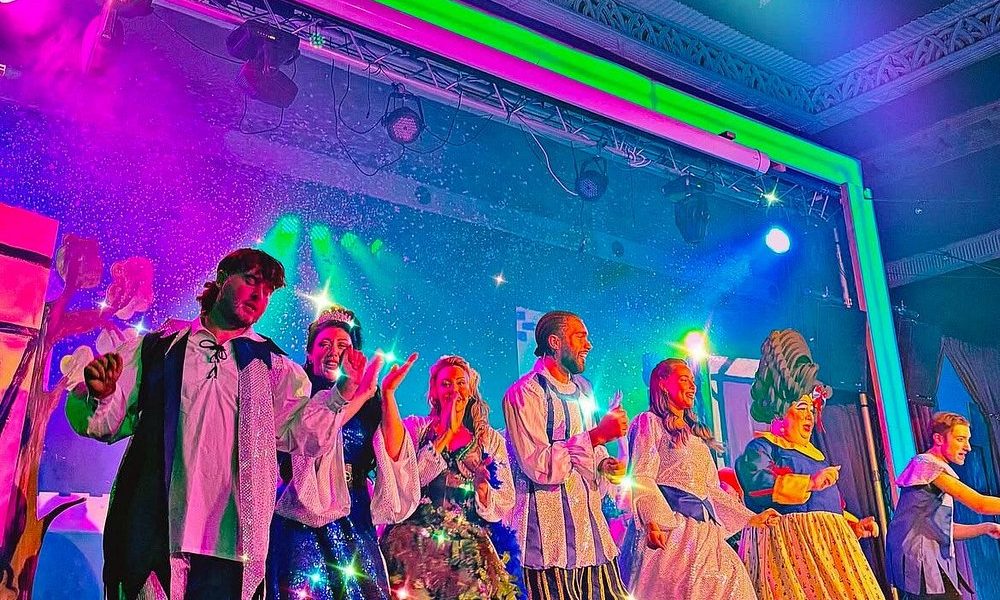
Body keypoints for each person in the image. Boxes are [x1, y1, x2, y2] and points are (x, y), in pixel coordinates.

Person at [65, 249, 380, 600]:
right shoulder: (159, 348)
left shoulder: (274, 367)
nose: (259, 296)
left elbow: (303, 436)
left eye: (267, 291)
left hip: (231, 546)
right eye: (251, 281)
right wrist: (102, 394)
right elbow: (104, 425)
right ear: (222, 278)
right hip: (156, 533)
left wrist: (341, 394)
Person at [266, 306, 421, 600]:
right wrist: (354, 393)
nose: (333, 352)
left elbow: (394, 453)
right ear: (310, 353)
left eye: (343, 345)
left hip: (354, 515)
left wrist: (387, 395)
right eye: (324, 344)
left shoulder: (370, 400)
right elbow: (311, 438)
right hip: (301, 517)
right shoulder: (297, 392)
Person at [734, 329, 884, 600]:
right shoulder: (765, 447)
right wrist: (808, 483)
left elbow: (827, 505)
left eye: (812, 410)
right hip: (792, 546)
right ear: (779, 412)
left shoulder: (816, 455)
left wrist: (853, 525)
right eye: (801, 409)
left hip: (830, 545)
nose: (809, 417)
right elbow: (756, 485)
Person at [621, 358, 777, 599]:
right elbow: (642, 475)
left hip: (707, 536)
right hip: (672, 532)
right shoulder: (649, 422)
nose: (692, 386)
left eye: (693, 381)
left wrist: (750, 518)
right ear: (663, 384)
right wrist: (652, 520)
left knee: (734, 587)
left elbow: (711, 491)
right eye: (685, 379)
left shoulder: (695, 439)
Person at [502, 310, 630, 600]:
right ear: (555, 342)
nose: (589, 345)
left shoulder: (583, 391)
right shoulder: (524, 393)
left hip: (591, 535)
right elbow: (538, 465)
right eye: (580, 337)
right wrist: (597, 436)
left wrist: (604, 464)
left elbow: (589, 451)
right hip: (548, 540)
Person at [380, 355, 517, 599]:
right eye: (446, 384)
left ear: (470, 389)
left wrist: (483, 490)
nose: (454, 390)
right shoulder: (416, 428)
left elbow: (506, 498)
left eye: (461, 383)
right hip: (413, 548)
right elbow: (407, 482)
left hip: (467, 553)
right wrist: (445, 434)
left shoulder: (489, 440)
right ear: (434, 391)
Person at [886, 411, 1000, 600]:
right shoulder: (927, 464)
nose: (968, 447)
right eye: (960, 439)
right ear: (939, 439)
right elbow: (979, 504)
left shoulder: (935, 472)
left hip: (932, 564)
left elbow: (944, 529)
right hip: (922, 565)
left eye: (968, 440)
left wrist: (986, 527)